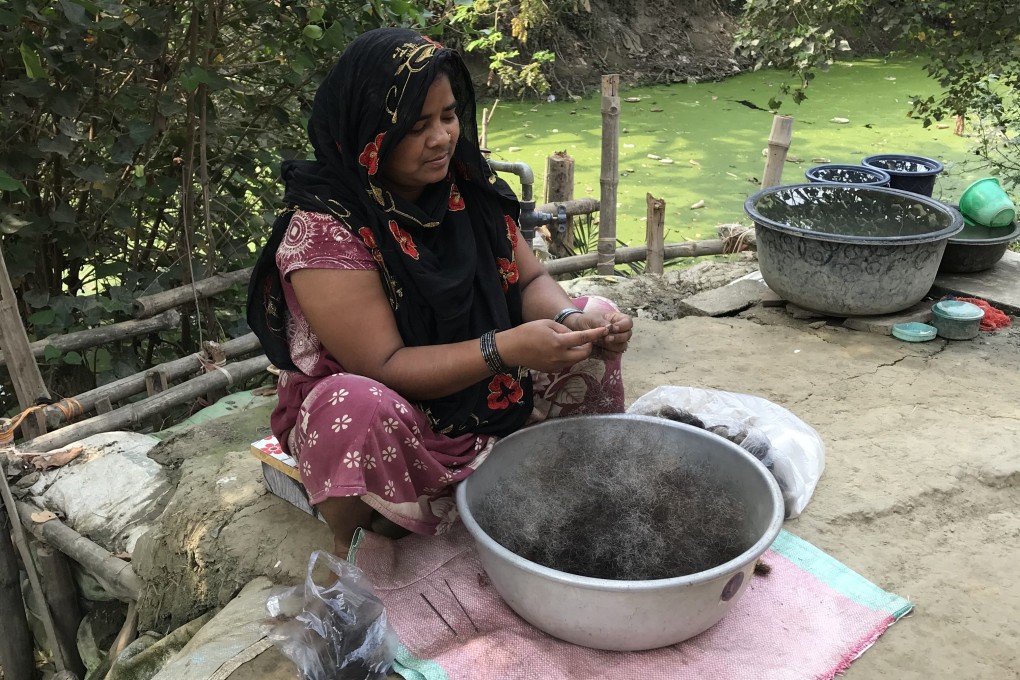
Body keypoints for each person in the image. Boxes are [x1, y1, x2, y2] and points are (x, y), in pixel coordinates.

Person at [247, 28, 633, 557]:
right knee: (351, 407)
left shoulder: (466, 189)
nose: (442, 138)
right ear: (369, 131)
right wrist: (507, 348)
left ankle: (538, 473)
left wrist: (569, 321)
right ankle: (359, 542)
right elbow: (383, 363)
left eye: (448, 116)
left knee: (597, 311)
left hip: (488, 390)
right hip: (393, 409)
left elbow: (533, 280)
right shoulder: (325, 228)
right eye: (416, 125)